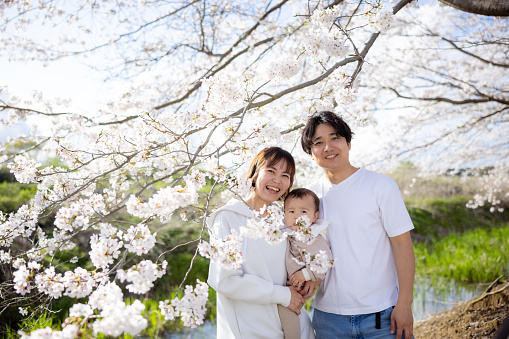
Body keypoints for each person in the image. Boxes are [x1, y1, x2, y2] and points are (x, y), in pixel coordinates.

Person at [300, 111, 415, 339]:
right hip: (328, 318)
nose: (328, 147)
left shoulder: (381, 186)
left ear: (348, 143)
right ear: (311, 154)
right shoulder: (308, 198)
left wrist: (404, 303)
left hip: (383, 315)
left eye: (335, 138)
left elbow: (403, 245)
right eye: (319, 143)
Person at [207, 147, 315, 339]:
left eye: (285, 175)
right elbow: (224, 280)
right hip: (251, 331)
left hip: (294, 327)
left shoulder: (284, 219)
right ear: (255, 173)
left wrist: (312, 277)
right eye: (271, 171)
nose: (277, 180)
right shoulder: (229, 217)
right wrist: (282, 295)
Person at [278, 188, 333, 339]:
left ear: (315, 216)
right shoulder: (288, 232)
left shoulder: (312, 236)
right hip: (286, 288)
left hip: (297, 288)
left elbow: (326, 261)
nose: (297, 217)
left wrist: (305, 274)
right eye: (291, 212)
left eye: (303, 212)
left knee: (289, 319)